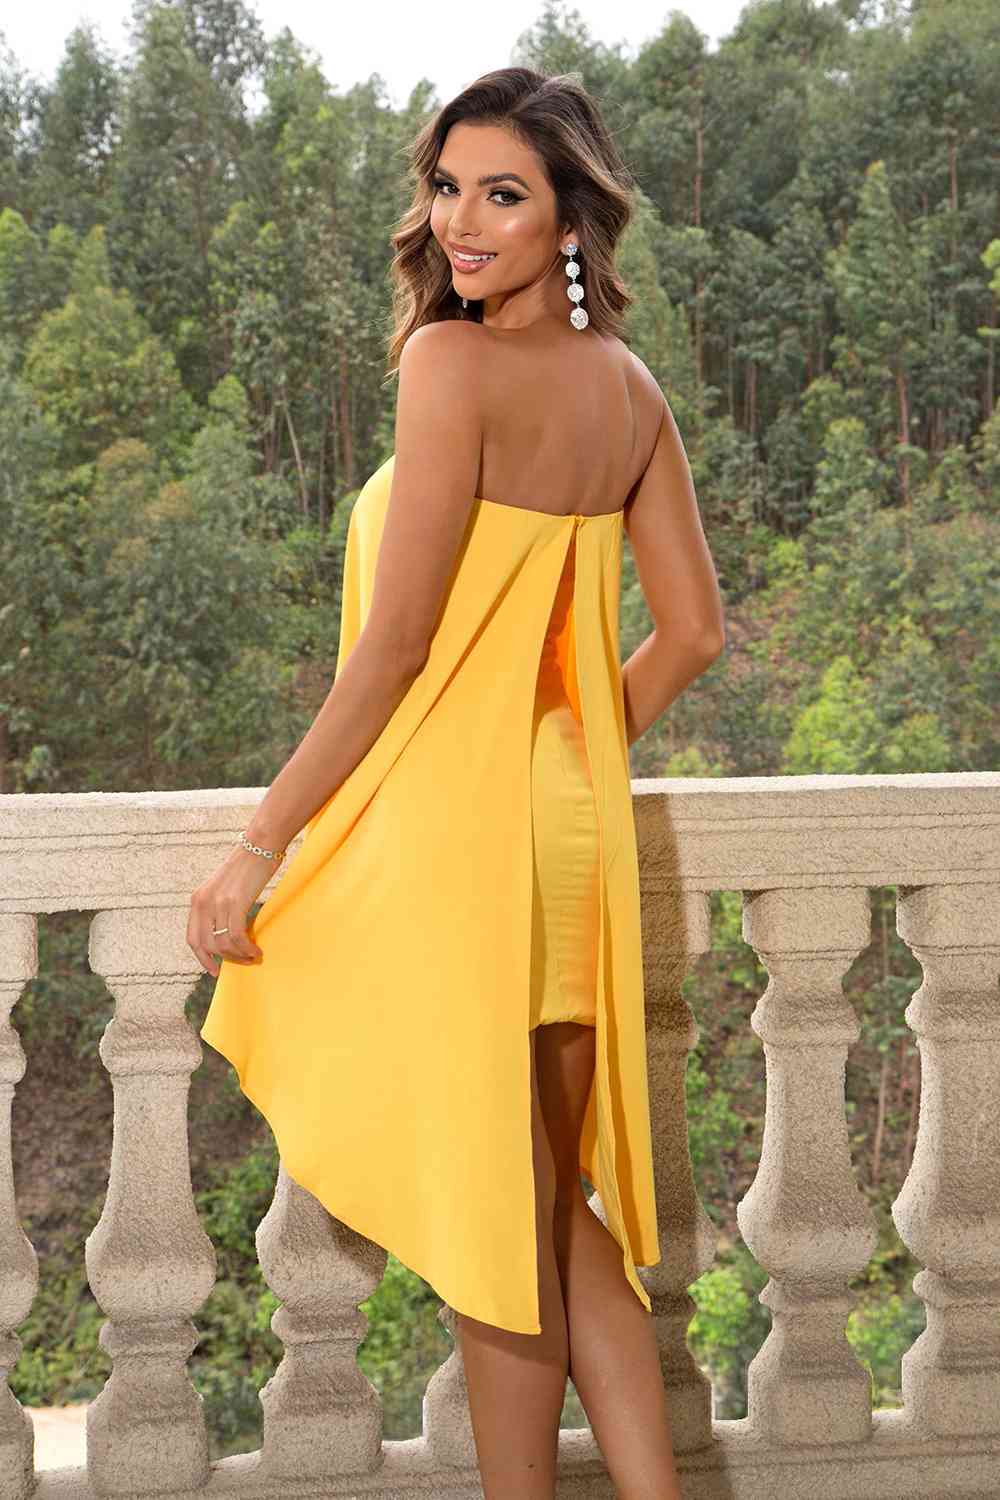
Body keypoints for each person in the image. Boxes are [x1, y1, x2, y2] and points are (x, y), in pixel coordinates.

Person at [189, 67, 724, 1500]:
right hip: (566, 826)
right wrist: (564, 745)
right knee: (548, 1204)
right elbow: (695, 632)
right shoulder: (633, 391)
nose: (462, 221)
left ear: (568, 220)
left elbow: (399, 644)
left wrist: (260, 840)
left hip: (468, 839)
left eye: (504, 194)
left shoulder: (450, 364)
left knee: (501, 1218)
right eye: (446, 187)